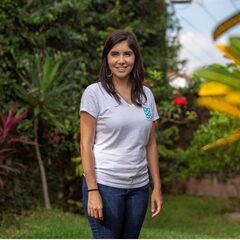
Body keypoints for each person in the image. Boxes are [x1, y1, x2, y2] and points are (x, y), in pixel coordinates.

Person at [80, 29, 163, 239]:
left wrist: (157, 187)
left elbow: (151, 144)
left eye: (127, 54)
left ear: (135, 58)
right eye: (115, 54)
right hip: (106, 185)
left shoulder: (147, 95)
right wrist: (92, 191)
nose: (121, 60)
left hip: (139, 188)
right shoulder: (94, 93)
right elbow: (85, 145)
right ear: (106, 59)